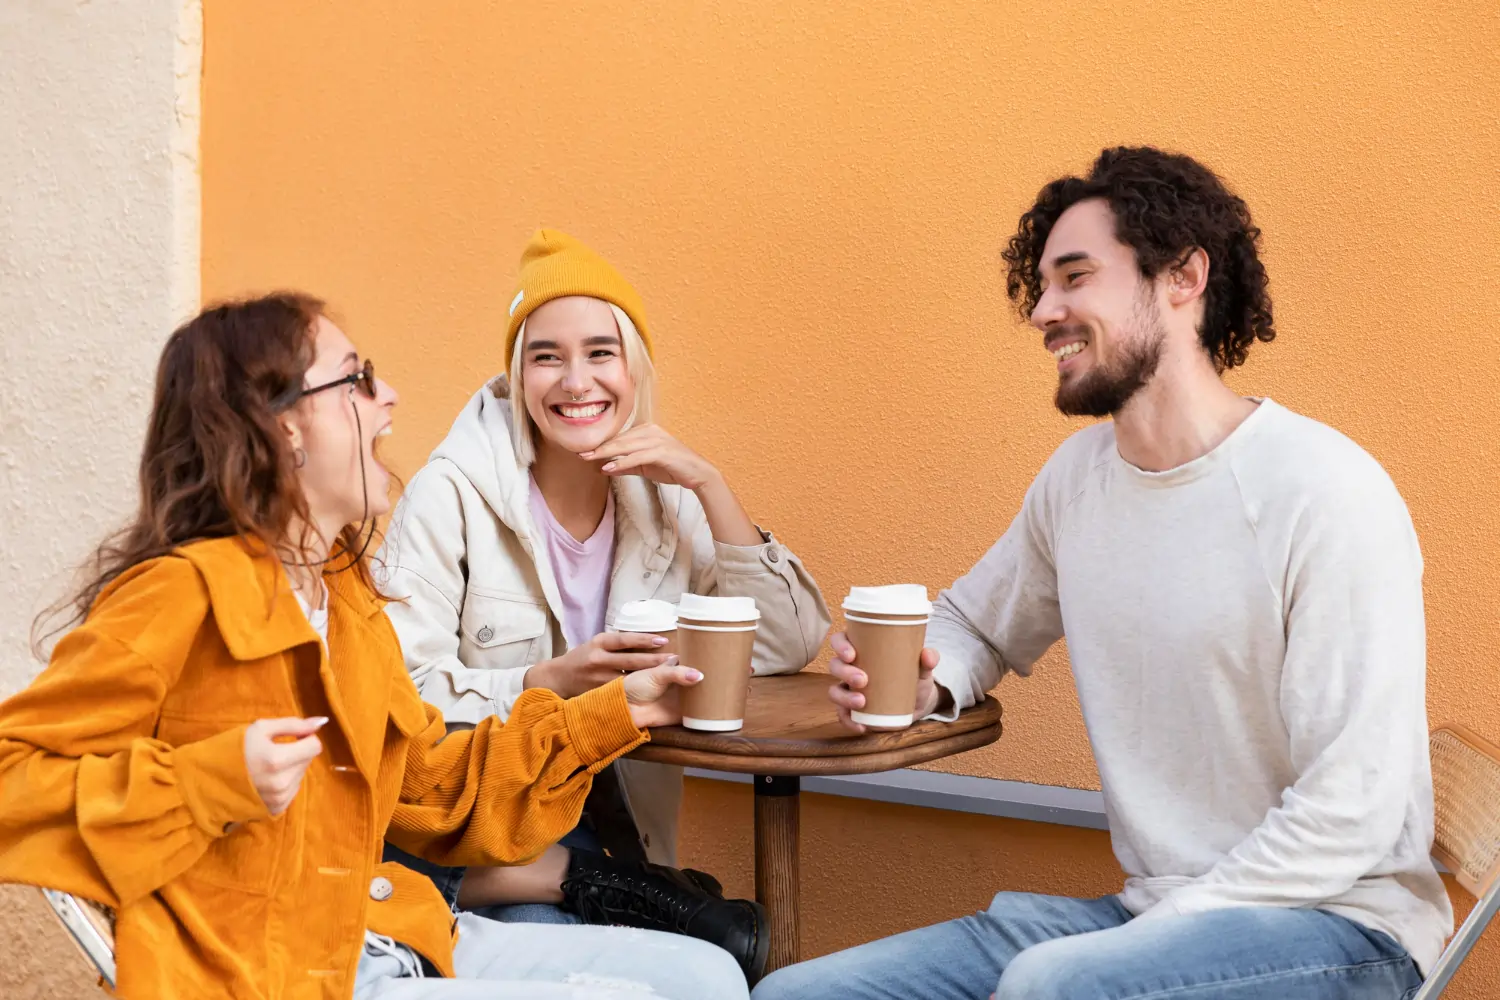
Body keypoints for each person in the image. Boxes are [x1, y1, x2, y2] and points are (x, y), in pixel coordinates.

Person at [755, 147, 1453, 1000]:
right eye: (1041, 286)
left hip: (1340, 925)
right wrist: (928, 682)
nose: (1045, 310)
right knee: (800, 996)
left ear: (1183, 277)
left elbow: (1353, 810)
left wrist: (1142, 940)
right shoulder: (1080, 479)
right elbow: (974, 624)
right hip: (1150, 914)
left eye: (1076, 277)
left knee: (1052, 988)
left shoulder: (1325, 492)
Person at [0, 293, 748, 1000]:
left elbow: (427, 786)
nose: (387, 397)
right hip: (272, 976)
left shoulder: (346, 594)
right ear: (283, 425)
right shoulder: (182, 593)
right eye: (356, 381)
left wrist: (613, 711)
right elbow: (13, 782)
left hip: (384, 933)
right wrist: (207, 782)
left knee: (708, 977)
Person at [377, 229, 831, 984]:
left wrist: (712, 487)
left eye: (600, 352)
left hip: (623, 833)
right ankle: (630, 897)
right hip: (489, 830)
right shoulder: (449, 494)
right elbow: (396, 696)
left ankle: (645, 894)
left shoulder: (663, 496)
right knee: (621, 966)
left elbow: (783, 647)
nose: (575, 381)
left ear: (634, 368)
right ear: (518, 375)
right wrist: (543, 682)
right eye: (545, 356)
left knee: (701, 966)